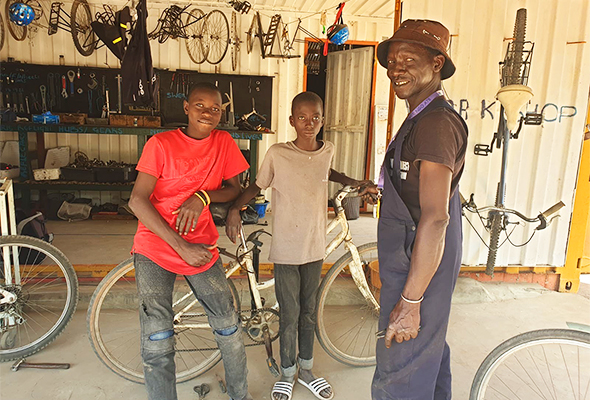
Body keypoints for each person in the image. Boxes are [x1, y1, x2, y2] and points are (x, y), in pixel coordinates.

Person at [226, 91, 371, 400]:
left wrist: (354, 182)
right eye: (302, 118)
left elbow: (326, 172)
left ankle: (307, 370)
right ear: (292, 120)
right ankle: (287, 372)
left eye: (315, 118)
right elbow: (257, 184)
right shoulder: (278, 153)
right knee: (290, 313)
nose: (310, 123)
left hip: (314, 245)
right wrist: (235, 209)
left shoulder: (327, 149)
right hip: (288, 248)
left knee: (308, 312)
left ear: (323, 120)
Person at [128, 82, 253, 400]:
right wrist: (179, 246)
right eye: (200, 105)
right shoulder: (160, 144)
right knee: (158, 336)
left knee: (228, 325)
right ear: (185, 107)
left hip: (201, 245)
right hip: (156, 245)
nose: (208, 113)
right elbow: (137, 201)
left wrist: (202, 196)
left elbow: (234, 189)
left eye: (215, 108)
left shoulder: (223, 142)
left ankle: (240, 395)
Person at [367, 20, 469, 400]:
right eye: (393, 60)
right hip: (413, 254)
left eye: (408, 59)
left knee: (402, 367)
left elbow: (436, 216)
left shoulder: (436, 123)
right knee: (427, 351)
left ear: (437, 63)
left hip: (420, 261)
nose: (396, 68)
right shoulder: (420, 117)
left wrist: (411, 302)